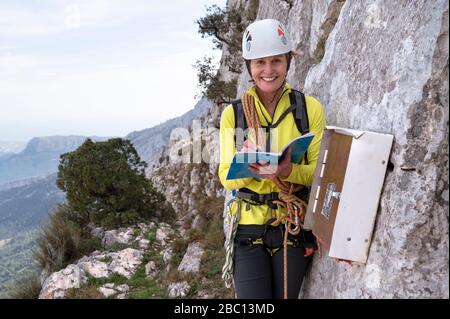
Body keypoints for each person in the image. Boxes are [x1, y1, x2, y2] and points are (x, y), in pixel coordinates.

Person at [218, 18, 326, 299]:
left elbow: (320, 174)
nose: (268, 71)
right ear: (249, 67)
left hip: (290, 225)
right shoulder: (235, 114)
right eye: (259, 63)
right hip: (247, 226)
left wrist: (287, 170)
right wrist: (250, 167)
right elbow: (224, 174)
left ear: (288, 62)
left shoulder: (308, 109)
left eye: (276, 61)